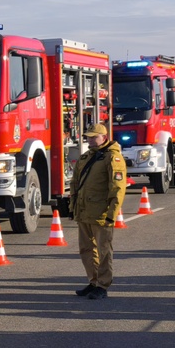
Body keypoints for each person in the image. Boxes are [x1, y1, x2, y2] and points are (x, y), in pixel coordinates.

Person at [69, 123, 127, 300]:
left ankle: (103, 285)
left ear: (104, 137)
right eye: (88, 137)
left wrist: (112, 213)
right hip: (84, 211)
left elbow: (117, 188)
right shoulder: (86, 156)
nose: (90, 140)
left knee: (103, 250)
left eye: (94, 137)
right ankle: (93, 281)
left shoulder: (113, 158)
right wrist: (72, 207)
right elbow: (75, 183)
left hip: (101, 213)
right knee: (86, 249)